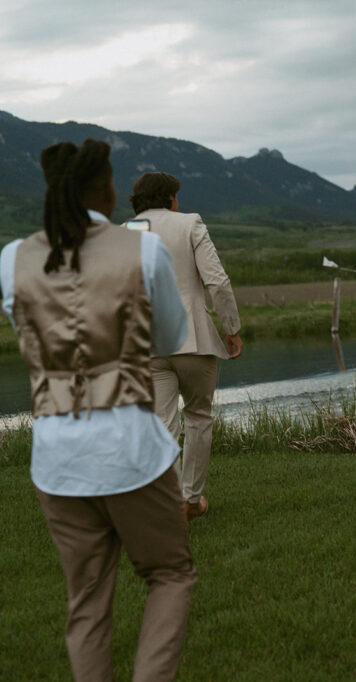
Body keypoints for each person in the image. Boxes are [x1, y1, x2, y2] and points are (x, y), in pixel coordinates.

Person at [0, 139, 194, 680]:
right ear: (106, 188)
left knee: (85, 604)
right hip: (132, 450)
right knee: (170, 574)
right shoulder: (144, 252)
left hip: (57, 458)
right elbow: (171, 335)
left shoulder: (12, 259)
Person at [129, 172, 243, 521]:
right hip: (193, 338)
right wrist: (232, 328)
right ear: (169, 198)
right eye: (176, 195)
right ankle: (190, 500)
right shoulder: (190, 223)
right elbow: (217, 281)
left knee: (162, 424)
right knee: (198, 417)